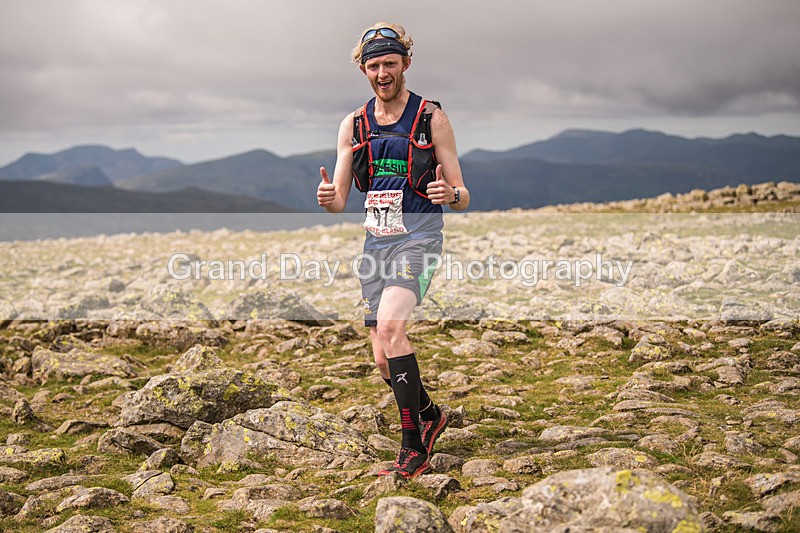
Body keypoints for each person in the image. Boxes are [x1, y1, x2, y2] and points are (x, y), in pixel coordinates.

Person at [316, 22, 470, 478]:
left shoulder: (430, 117)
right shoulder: (354, 123)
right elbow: (341, 199)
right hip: (375, 243)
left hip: (420, 236)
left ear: (405, 62)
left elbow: (463, 193)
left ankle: (413, 444)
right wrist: (328, 199)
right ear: (363, 69)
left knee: (391, 326)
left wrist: (450, 196)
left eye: (389, 63)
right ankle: (430, 414)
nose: (382, 73)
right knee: (382, 355)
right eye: (373, 65)